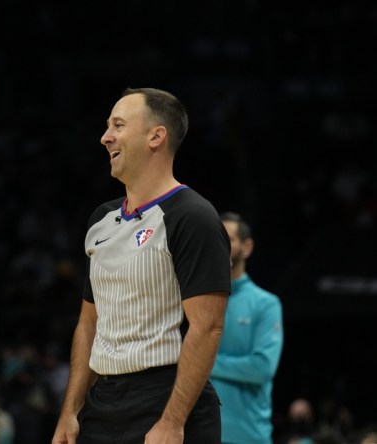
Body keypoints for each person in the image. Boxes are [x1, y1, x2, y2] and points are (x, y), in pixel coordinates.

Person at [51, 87, 231, 444]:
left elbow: (207, 327)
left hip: (167, 398)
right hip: (101, 403)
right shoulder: (101, 219)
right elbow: (89, 322)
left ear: (156, 136)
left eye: (118, 125)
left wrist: (173, 421)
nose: (105, 137)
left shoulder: (193, 216)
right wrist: (70, 411)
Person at [210, 211, 284, 444]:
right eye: (215, 238)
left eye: (228, 239)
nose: (219, 245)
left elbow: (262, 367)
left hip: (248, 436)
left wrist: (201, 361)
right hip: (200, 433)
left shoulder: (265, 304)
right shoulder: (195, 300)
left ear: (247, 246)